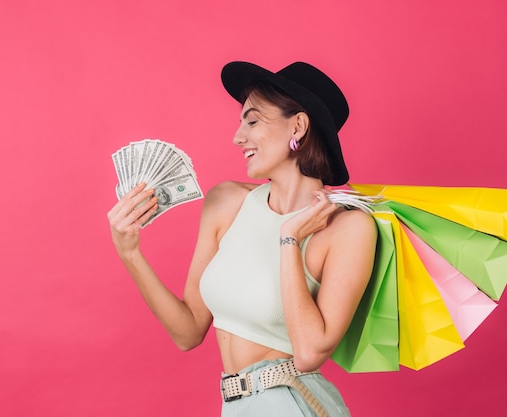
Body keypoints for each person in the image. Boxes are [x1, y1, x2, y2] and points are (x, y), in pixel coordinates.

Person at [107, 61, 377, 417]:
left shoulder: (349, 229)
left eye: (252, 121)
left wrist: (289, 241)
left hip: (292, 403)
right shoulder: (226, 203)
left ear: (298, 125)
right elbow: (187, 333)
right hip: (236, 406)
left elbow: (310, 353)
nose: (238, 137)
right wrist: (130, 253)